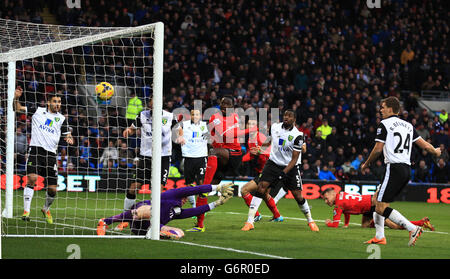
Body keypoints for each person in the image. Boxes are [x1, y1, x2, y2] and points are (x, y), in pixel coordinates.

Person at [361, 96, 441, 246]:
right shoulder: (408, 126)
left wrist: (366, 163)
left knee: (379, 207)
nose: (381, 110)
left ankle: (413, 228)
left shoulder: (384, 124)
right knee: (377, 199)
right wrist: (436, 152)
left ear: (390, 109)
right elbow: (425, 146)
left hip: (393, 168)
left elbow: (378, 148)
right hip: (405, 169)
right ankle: (379, 236)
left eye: (383, 107)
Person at [241, 109, 319, 232]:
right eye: (285, 115)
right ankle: (249, 222)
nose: (286, 117)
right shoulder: (275, 127)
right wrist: (261, 149)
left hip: (291, 167)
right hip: (273, 164)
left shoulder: (297, 135)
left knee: (298, 196)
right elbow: (270, 140)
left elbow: (294, 159)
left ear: (294, 120)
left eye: (290, 116)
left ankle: (310, 220)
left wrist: (283, 173)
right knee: (261, 188)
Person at [188, 96, 256, 232]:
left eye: (228, 104)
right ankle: (199, 225)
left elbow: (229, 135)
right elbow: (215, 134)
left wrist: (248, 131)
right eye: (222, 103)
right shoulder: (215, 117)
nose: (224, 106)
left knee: (213, 152)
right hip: (222, 157)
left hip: (234, 154)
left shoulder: (236, 117)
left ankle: (205, 185)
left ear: (233, 106)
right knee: (204, 192)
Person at [14, 87, 74, 224]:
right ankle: (26, 211)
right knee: (32, 178)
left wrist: (69, 138)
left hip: (51, 154)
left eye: (59, 102)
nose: (58, 104)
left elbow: (67, 134)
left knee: (52, 190)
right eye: (55, 101)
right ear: (48, 102)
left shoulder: (61, 119)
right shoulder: (38, 111)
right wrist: (16, 97)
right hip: (35, 150)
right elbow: (18, 108)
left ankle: (46, 209)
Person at [117, 97, 176, 231]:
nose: (153, 106)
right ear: (149, 104)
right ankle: (125, 218)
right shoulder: (142, 115)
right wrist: (128, 131)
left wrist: (180, 136)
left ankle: (155, 223)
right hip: (146, 157)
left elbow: (178, 129)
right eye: (151, 103)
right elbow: (132, 128)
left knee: (158, 192)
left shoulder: (170, 116)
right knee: (133, 187)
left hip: (163, 157)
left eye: (156, 103)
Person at [97, 183, 234, 239]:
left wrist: (217, 203)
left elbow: (194, 211)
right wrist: (217, 187)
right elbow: (194, 189)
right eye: (185, 197)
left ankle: (157, 231)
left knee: (179, 233)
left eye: (187, 199)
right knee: (146, 211)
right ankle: (105, 221)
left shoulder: (177, 211)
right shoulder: (172, 194)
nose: (186, 199)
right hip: (141, 213)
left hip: (144, 229)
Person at [321, 188, 435, 230]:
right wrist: (346, 224)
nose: (326, 202)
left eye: (326, 198)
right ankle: (378, 222)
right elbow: (347, 210)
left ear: (332, 194)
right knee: (365, 226)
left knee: (395, 225)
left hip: (373, 205)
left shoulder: (338, 204)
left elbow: (335, 224)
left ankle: (421, 223)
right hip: (368, 206)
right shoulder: (341, 195)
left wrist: (328, 223)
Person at [240, 118, 284, 222]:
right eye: (249, 124)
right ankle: (277, 216)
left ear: (257, 127)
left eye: (253, 124)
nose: (250, 126)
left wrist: (261, 152)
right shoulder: (250, 140)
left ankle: (256, 215)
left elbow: (271, 154)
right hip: (262, 171)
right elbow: (251, 155)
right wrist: (240, 160)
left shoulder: (261, 137)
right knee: (264, 194)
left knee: (244, 190)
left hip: (269, 171)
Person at [176, 109, 209, 207]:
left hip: (201, 157)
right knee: (189, 184)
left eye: (197, 114)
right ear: (190, 115)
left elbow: (210, 137)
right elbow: (176, 130)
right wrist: (179, 136)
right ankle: (194, 206)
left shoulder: (204, 125)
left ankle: (201, 206)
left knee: (201, 182)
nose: (195, 116)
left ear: (200, 116)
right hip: (188, 157)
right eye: (193, 114)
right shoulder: (184, 125)